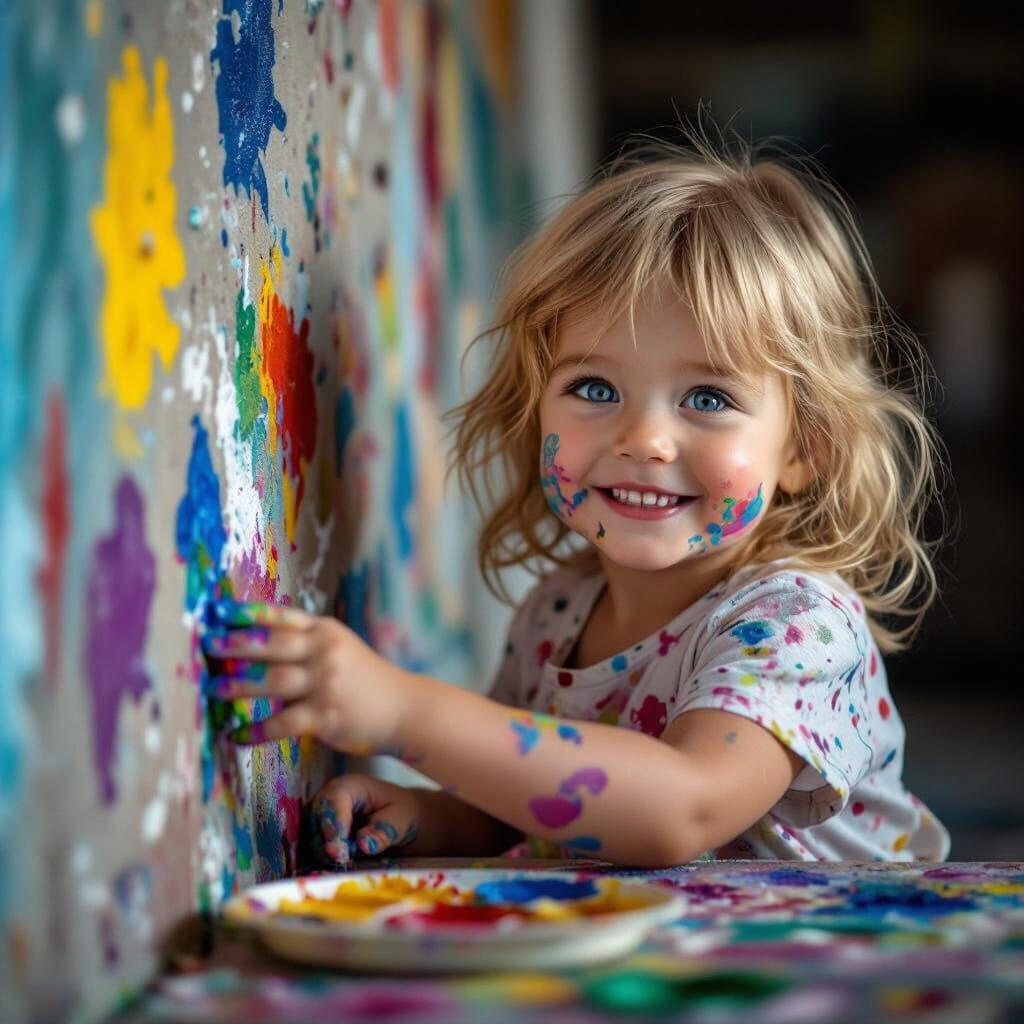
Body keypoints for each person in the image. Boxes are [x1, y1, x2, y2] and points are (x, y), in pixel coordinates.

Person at [202, 127, 951, 865]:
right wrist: (432, 816)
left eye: (709, 397)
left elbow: (680, 808)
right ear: (535, 415)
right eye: (595, 388)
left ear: (804, 448)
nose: (644, 438)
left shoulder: (801, 623)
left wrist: (405, 711)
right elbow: (537, 809)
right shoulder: (554, 617)